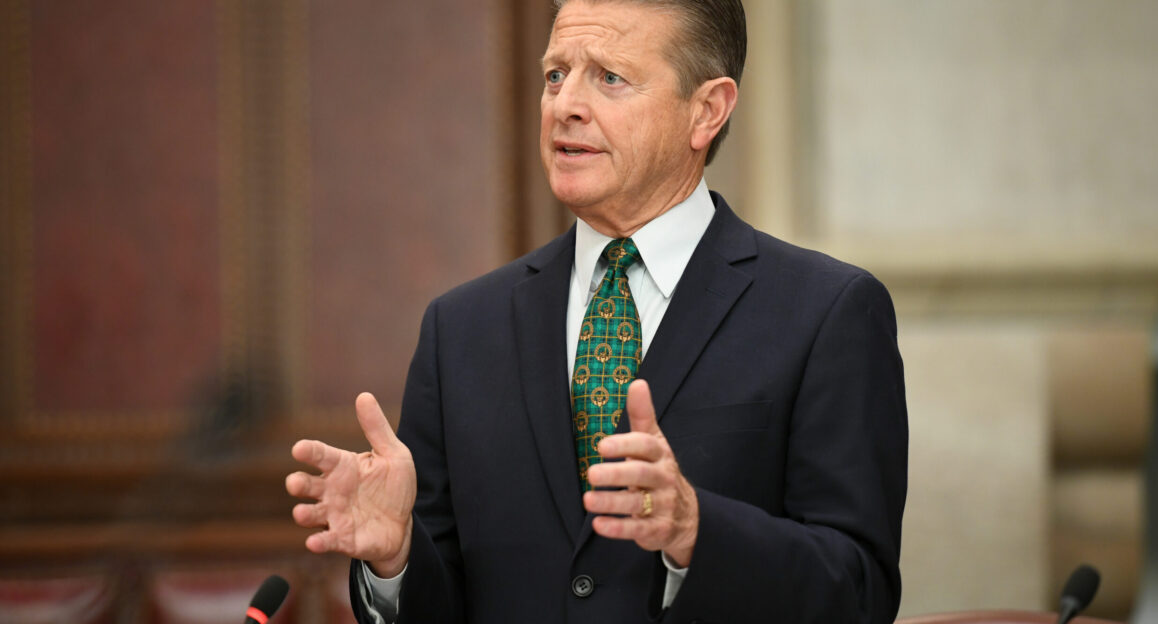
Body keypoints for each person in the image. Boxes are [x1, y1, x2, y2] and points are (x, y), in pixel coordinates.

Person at [286, 0, 908, 622]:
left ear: (707, 110)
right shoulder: (461, 330)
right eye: (556, 75)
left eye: (609, 77)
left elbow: (860, 593)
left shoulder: (827, 313)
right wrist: (396, 562)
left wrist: (697, 532)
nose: (565, 105)